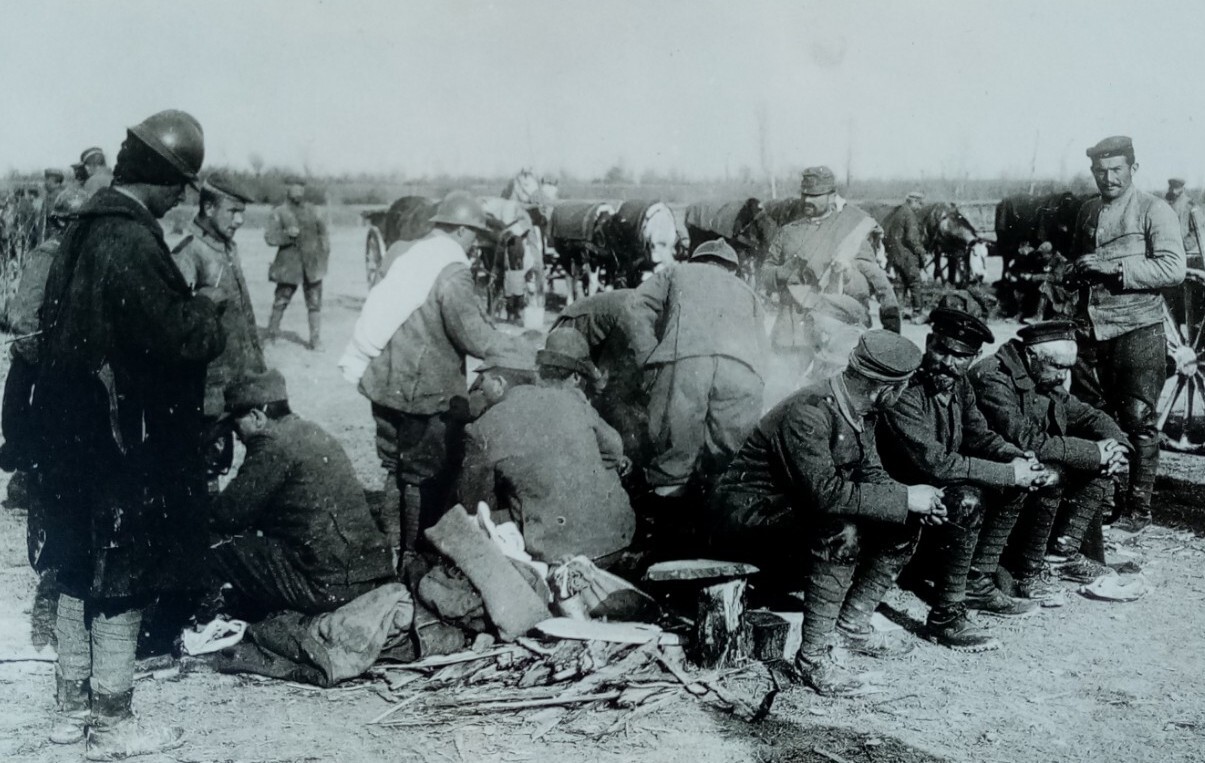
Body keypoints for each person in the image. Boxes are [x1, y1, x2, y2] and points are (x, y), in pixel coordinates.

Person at [33, 109, 218, 759]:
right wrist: (207, 308)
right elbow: (175, 338)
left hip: (71, 431)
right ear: (166, 180)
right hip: (119, 439)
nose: (183, 199)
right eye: (183, 185)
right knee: (122, 573)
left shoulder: (86, 228)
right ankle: (112, 721)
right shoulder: (133, 241)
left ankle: (69, 709)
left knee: (77, 566)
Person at [707, 331, 945, 696]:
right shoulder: (810, 413)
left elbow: (871, 473)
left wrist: (910, 501)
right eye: (902, 387)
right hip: (747, 517)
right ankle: (812, 661)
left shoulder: (860, 408)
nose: (902, 395)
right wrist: (903, 498)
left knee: (902, 517)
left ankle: (852, 626)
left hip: (790, 509)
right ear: (885, 389)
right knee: (839, 529)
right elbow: (825, 495)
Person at [338, 191, 508, 567]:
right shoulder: (453, 269)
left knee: (393, 469)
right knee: (421, 475)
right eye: (474, 236)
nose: (476, 244)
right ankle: (413, 555)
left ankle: (391, 547)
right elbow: (471, 334)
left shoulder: (400, 251)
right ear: (461, 230)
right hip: (423, 392)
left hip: (383, 383)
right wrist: (511, 350)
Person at [877, 308, 1049, 651]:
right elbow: (935, 464)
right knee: (967, 499)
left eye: (960, 357)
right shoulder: (905, 390)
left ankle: (976, 583)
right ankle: (945, 618)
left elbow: (979, 435)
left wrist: (1015, 458)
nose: (947, 362)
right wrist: (1008, 471)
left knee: (1015, 481)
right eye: (941, 350)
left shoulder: (960, 385)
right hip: (898, 497)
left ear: (975, 357)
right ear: (928, 343)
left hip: (934, 495)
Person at [968, 321, 1131, 609]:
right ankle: (1026, 572)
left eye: (1069, 368)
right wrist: (1095, 451)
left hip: (1021, 461)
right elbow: (1027, 440)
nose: (1064, 376)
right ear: (1032, 357)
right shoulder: (993, 377)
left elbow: (1086, 414)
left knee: (1098, 467)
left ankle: (1061, 555)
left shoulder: (1042, 375)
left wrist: (1116, 444)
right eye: (1059, 367)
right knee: (1053, 474)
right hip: (990, 464)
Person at [1069, 136, 1185, 533]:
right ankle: (1099, 501)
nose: (1108, 177)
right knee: (1090, 416)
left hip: (1138, 328)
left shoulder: (1156, 209)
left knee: (1138, 417)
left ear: (1133, 169)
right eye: (1100, 171)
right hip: (1091, 331)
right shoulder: (1087, 211)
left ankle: (1138, 508)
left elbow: (1173, 269)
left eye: (1117, 169)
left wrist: (1114, 270)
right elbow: (1080, 262)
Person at [209, 370, 395, 618]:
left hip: (328, 587)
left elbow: (227, 516)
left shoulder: (271, 445)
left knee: (207, 540)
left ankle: (201, 616)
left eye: (236, 424)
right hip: (371, 575)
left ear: (256, 417)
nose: (237, 435)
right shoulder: (312, 431)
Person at [457, 332, 635, 564]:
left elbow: (473, 503)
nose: (480, 387)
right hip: (617, 541)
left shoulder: (483, 428)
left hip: (558, 556)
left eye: (484, 380)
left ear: (500, 384)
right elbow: (613, 450)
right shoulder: (573, 400)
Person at [630, 239, 768, 504]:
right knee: (733, 455)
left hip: (688, 359)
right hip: (741, 369)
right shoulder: (746, 290)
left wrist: (649, 356)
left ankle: (670, 524)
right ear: (732, 269)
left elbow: (635, 306)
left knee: (675, 448)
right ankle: (726, 522)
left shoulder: (677, 272)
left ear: (696, 260)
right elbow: (763, 346)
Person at [172, 173, 265, 489]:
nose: (239, 220)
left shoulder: (227, 247)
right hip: (208, 383)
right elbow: (178, 323)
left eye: (243, 213)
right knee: (204, 461)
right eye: (232, 211)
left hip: (239, 375)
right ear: (209, 208)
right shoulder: (189, 252)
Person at [0, 188, 88, 492]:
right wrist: (44, 359)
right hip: (37, 357)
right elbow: (24, 316)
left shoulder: (83, 258)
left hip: (65, 359)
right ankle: (24, 476)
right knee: (24, 421)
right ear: (61, 223)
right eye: (77, 222)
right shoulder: (46, 256)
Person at [766, 166, 901, 352]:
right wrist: (783, 273)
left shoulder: (850, 230)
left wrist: (891, 324)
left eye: (815, 195)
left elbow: (876, 280)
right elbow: (764, 274)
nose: (807, 200)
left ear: (831, 196)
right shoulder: (787, 232)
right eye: (804, 194)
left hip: (833, 335)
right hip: (789, 334)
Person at [551, 289, 656, 467]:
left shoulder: (650, 314)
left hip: (602, 330)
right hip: (575, 326)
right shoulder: (635, 318)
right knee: (570, 395)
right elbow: (605, 377)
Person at [265, 176, 330, 350]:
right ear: (287, 189)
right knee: (280, 301)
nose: (298, 191)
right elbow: (270, 238)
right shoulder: (279, 212)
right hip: (289, 266)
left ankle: (315, 340)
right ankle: (271, 335)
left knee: (315, 303)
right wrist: (287, 234)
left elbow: (324, 235)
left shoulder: (314, 211)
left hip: (312, 266)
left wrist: (322, 259)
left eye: (301, 188)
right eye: (294, 187)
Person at [882, 190, 928, 320]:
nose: (920, 208)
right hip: (908, 255)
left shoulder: (898, 212)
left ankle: (899, 311)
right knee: (915, 283)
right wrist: (922, 252)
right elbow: (911, 238)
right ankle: (917, 313)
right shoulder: (910, 215)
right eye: (919, 204)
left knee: (900, 283)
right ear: (913, 201)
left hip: (895, 255)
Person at [1165, 177, 1202, 267]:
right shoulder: (1166, 206)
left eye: (1176, 187)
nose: (1173, 191)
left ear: (1182, 189)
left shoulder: (1190, 206)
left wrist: (1183, 246)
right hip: (1170, 252)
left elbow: (1196, 232)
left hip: (1189, 254)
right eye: (1171, 187)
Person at [37, 168, 66, 244]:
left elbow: (45, 223)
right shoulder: (51, 196)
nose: (45, 183)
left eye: (48, 181)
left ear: (57, 183)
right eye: (46, 180)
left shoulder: (54, 197)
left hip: (53, 238)